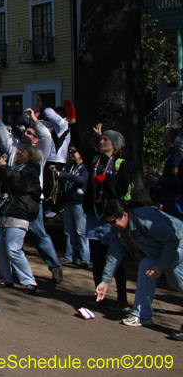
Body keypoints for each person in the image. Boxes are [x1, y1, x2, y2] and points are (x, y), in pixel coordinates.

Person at [65, 101, 132, 311]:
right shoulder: (94, 160)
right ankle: (98, 295)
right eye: (101, 138)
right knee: (97, 258)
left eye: (105, 139)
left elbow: (122, 190)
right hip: (93, 215)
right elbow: (78, 141)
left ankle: (122, 298)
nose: (101, 141)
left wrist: (108, 180)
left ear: (115, 144)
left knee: (116, 258)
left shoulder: (122, 164)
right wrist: (72, 122)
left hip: (112, 218)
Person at [0, 99, 64, 284]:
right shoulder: (15, 151)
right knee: (6, 241)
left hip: (30, 203)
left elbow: (47, 137)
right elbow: (3, 135)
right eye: (25, 131)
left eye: (30, 133)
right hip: (10, 203)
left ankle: (55, 267)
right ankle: (11, 274)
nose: (26, 133)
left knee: (39, 235)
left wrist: (35, 121)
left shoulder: (38, 154)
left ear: (35, 139)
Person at [96, 198, 183, 339]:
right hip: (162, 249)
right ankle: (141, 315)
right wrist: (105, 281)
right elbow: (114, 253)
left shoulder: (146, 217)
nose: (112, 225)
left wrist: (160, 266)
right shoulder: (118, 229)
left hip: (178, 242)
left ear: (124, 215)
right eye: (109, 222)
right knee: (146, 266)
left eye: (113, 221)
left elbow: (171, 241)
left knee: (177, 280)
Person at [0, 144, 43, 294]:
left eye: (23, 151)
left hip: (18, 214)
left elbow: (18, 182)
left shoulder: (31, 171)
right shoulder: (11, 168)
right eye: (19, 150)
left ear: (31, 156)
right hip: (2, 212)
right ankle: (7, 279)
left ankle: (29, 281)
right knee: (0, 248)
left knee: (13, 248)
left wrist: (4, 168)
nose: (19, 152)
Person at [57, 146, 90, 265]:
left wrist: (64, 175)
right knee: (68, 231)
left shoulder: (84, 168)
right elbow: (63, 176)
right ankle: (70, 257)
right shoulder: (70, 166)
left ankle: (85, 259)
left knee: (81, 231)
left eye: (74, 151)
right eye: (70, 152)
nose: (72, 154)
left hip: (78, 203)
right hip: (68, 201)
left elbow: (82, 180)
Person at [151, 132, 183, 221]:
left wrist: (159, 181)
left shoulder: (176, 159)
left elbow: (176, 180)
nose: (177, 153)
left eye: (178, 150)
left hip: (172, 200)